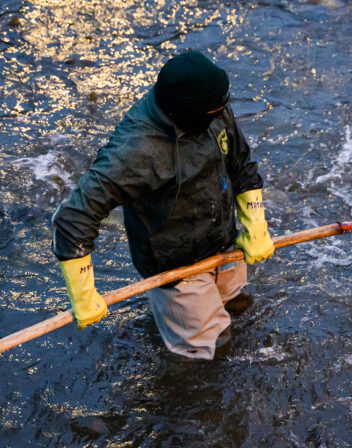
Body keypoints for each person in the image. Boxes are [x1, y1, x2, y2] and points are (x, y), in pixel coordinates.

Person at [51, 50, 275, 359]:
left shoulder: (212, 106)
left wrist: (255, 224)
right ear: (192, 112)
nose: (225, 112)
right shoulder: (134, 152)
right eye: (217, 109)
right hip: (175, 265)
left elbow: (240, 163)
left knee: (239, 306)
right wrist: (83, 294)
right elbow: (73, 218)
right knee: (213, 347)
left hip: (223, 242)